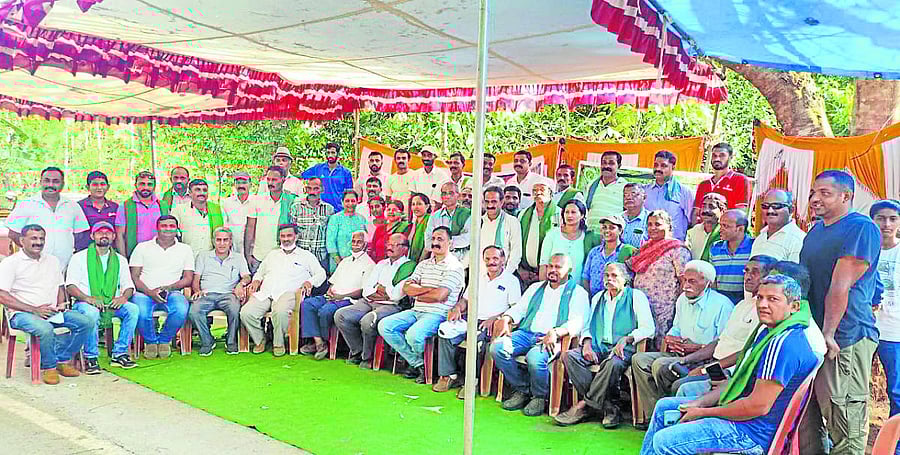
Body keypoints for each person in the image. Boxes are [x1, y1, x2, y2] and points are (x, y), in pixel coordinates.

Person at [639, 274, 819, 455]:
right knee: (664, 408)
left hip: (750, 434)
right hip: (743, 417)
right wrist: (699, 403)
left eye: (773, 299)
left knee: (665, 441)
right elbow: (737, 385)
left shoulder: (783, 344)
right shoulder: (770, 332)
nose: (762, 304)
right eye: (760, 297)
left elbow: (757, 406)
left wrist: (703, 412)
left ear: (794, 306)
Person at [800, 170, 881, 455]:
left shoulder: (860, 228)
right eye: (813, 192)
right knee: (808, 419)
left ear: (846, 196)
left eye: (825, 193)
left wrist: (829, 333)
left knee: (844, 419)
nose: (815, 198)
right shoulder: (815, 231)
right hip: (814, 335)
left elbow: (840, 285)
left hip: (843, 338)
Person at [631, 260, 734, 428]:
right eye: (685, 280)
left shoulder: (722, 305)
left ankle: (669, 414)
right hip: (679, 353)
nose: (686, 286)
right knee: (639, 360)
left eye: (692, 281)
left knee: (660, 365)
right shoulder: (682, 300)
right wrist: (671, 337)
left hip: (703, 360)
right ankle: (655, 415)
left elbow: (721, 343)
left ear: (707, 282)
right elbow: (676, 328)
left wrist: (698, 348)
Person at [554, 262, 655, 427]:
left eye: (614, 275)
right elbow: (587, 327)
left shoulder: (636, 297)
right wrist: (587, 344)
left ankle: (583, 406)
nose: (609, 279)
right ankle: (609, 406)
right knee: (568, 356)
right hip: (599, 346)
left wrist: (627, 338)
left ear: (625, 279)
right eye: (607, 275)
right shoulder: (598, 298)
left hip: (623, 349)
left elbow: (648, 328)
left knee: (612, 363)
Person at [490, 253, 590, 416]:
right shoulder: (536, 287)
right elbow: (519, 309)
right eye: (550, 266)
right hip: (526, 333)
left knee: (535, 358)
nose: (552, 270)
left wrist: (556, 332)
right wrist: (506, 318)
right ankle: (523, 389)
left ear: (569, 270)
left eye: (558, 267)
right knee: (497, 348)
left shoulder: (578, 292)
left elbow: (577, 321)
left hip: (552, 339)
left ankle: (539, 396)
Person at [672, 255, 778, 398]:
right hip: (713, 362)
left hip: (729, 371)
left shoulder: (764, 312)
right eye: (746, 271)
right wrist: (686, 360)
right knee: (668, 369)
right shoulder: (741, 305)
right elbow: (720, 341)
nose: (748, 277)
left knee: (681, 386)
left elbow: (747, 352)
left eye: (755, 272)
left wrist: (704, 370)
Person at [0, 224, 92, 385]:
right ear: (22, 240)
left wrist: (62, 303)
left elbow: (60, 286)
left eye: (42, 238)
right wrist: (34, 310)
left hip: (51, 310)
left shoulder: (52, 261)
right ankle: (49, 367)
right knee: (45, 329)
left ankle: (62, 359)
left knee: (86, 322)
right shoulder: (11, 263)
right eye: (33, 238)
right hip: (22, 313)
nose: (38, 242)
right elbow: (2, 294)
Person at [379, 227, 465, 383]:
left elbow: (440, 296)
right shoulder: (424, 264)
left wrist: (418, 292)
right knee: (385, 326)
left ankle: (421, 365)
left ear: (450, 243)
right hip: (416, 310)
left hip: (438, 314)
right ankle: (419, 363)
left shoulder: (455, 267)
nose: (435, 242)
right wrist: (429, 290)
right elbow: (407, 288)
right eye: (434, 239)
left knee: (414, 335)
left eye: (440, 239)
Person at [433, 246, 521, 397]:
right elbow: (465, 300)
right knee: (445, 330)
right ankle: (448, 376)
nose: (491, 262)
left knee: (477, 343)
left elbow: (515, 309)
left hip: (492, 324)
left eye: (495, 258)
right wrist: (457, 308)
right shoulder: (478, 277)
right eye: (488, 259)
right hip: (470, 319)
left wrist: (495, 318)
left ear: (503, 260)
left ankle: (471, 382)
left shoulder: (511, 280)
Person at [241, 224, 326, 357]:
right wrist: (256, 280)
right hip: (266, 292)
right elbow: (260, 272)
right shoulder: (272, 254)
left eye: (289, 235)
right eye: (283, 236)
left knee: (280, 311)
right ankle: (260, 340)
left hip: (289, 293)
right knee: (246, 312)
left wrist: (310, 282)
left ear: (296, 236)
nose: (286, 239)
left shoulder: (306, 256)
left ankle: (278, 343)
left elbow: (321, 274)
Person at [67, 222, 140, 372]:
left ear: (113, 236)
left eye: (108, 232)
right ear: (92, 236)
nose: (104, 235)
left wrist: (123, 298)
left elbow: (129, 286)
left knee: (132, 310)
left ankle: (120, 353)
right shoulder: (79, 258)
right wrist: (88, 299)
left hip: (111, 302)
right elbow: (70, 286)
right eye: (100, 232)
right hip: (85, 303)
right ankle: (91, 356)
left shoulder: (120, 260)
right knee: (92, 313)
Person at [335, 233, 415, 369]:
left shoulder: (408, 266)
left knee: (368, 321)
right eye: (389, 244)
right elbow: (367, 290)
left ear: (405, 249)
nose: (390, 247)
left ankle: (368, 358)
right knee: (341, 315)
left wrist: (381, 290)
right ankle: (358, 351)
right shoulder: (381, 264)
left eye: (395, 245)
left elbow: (396, 295)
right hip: (368, 301)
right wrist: (381, 292)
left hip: (392, 306)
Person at [299, 231, 375, 360]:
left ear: (365, 245)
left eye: (359, 242)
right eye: (353, 241)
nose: (355, 244)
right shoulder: (345, 261)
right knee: (307, 304)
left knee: (325, 311)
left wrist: (341, 296)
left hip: (349, 300)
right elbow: (332, 282)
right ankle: (319, 342)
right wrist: (329, 291)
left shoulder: (370, 265)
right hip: (332, 296)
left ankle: (323, 342)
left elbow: (363, 291)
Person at [128, 216, 194, 360]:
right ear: (157, 228)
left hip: (172, 292)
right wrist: (150, 292)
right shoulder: (142, 247)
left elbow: (188, 278)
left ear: (177, 229)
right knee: (141, 311)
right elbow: (134, 277)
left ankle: (164, 340)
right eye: (164, 226)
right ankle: (151, 342)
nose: (168, 229)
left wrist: (168, 288)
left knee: (181, 309)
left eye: (172, 226)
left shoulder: (185, 249)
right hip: (144, 292)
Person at [7, 166, 89, 271]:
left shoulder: (72, 206)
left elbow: (79, 235)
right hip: (33, 266)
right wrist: (31, 250)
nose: (50, 185)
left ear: (62, 184)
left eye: (56, 181)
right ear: (40, 182)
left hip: (65, 266)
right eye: (47, 180)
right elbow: (13, 233)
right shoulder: (26, 204)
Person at [630, 210, 693, 344]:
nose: (653, 228)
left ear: (668, 226)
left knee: (660, 343)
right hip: (642, 303)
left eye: (657, 224)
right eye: (650, 224)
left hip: (664, 306)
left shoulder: (677, 249)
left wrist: (679, 306)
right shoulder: (645, 248)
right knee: (641, 339)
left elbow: (684, 280)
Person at [188, 227, 251, 356]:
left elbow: (247, 276)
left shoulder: (238, 258)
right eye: (218, 240)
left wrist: (241, 284)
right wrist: (197, 290)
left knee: (235, 309)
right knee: (194, 311)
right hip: (206, 294)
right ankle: (207, 342)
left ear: (230, 242)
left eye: (225, 240)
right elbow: (196, 278)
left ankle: (231, 341)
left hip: (228, 294)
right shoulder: (203, 256)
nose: (222, 243)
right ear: (213, 241)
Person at [872, 200, 900, 448]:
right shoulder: (865, 250)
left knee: (897, 391)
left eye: (893, 218)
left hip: (895, 332)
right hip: (864, 330)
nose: (887, 224)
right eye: (881, 218)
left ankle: (894, 444)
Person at [245, 166, 298, 274]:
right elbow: (250, 228)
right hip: (259, 256)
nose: (270, 183)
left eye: (274, 179)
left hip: (283, 256)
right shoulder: (257, 200)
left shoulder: (292, 201)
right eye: (268, 179)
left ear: (283, 180)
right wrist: (248, 255)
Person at [539, 199, 601, 288]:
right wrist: (543, 289)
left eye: (573, 212)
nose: (569, 215)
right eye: (567, 212)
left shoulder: (587, 238)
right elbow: (543, 264)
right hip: (552, 288)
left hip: (576, 290)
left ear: (582, 215)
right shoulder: (552, 234)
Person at [582, 215, 638, 298]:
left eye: (612, 228)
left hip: (617, 300)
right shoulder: (594, 252)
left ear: (620, 230)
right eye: (604, 227)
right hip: (595, 300)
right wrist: (589, 298)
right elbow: (586, 277)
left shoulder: (627, 251)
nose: (607, 230)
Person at [644, 150, 694, 241]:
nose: (658, 169)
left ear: (673, 167)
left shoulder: (684, 192)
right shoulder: (645, 191)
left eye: (663, 166)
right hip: (649, 244)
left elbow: (692, 221)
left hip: (673, 245)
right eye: (656, 165)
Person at [115, 171, 166, 258]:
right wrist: (124, 260)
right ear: (135, 185)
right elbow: (119, 235)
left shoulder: (162, 206)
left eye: (149, 184)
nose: (146, 187)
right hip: (135, 255)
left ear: (154, 186)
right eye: (142, 184)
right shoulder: (125, 206)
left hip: (160, 254)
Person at [692, 142, 751, 218]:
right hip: (703, 225)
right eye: (714, 155)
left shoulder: (740, 180)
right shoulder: (703, 185)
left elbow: (740, 213)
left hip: (727, 225)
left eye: (722, 155)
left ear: (730, 158)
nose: (717, 159)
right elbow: (696, 213)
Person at [709, 209, 754, 304]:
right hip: (720, 302)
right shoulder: (715, 248)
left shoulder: (754, 247)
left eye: (725, 226)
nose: (720, 229)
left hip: (746, 302)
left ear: (740, 229)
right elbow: (713, 280)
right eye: (720, 225)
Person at [290, 177, 334, 272]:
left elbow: (330, 235)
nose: (312, 192)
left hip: (321, 257)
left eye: (316, 188)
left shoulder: (329, 209)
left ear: (322, 189)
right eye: (309, 188)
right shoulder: (296, 208)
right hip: (300, 258)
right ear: (306, 189)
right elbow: (291, 233)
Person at [171, 179, 224, 256]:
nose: (202, 193)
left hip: (211, 257)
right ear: (190, 193)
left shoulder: (216, 209)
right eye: (198, 190)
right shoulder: (179, 210)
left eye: (204, 190)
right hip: (188, 256)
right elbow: (173, 235)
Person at [750, 189, 806, 262]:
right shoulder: (761, 237)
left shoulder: (798, 240)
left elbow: (795, 269)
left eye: (776, 206)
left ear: (791, 210)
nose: (770, 211)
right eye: (765, 206)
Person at [517, 183, 555, 288]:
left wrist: (542, 274)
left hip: (549, 274)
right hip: (525, 274)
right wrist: (520, 270)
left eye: (542, 189)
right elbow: (516, 243)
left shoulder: (559, 214)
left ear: (550, 193)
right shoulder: (523, 214)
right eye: (534, 190)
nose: (538, 192)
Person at [424, 181, 471, 264]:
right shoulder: (435, 216)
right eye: (444, 193)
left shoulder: (467, 214)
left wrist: (440, 242)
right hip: (436, 259)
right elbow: (428, 242)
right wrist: (445, 243)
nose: (447, 196)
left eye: (451, 193)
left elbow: (466, 240)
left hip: (459, 260)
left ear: (458, 196)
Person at [301, 142, 353, 212]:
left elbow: (349, 194)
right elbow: (302, 176)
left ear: (338, 154)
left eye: (333, 153)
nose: (330, 155)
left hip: (338, 210)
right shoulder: (318, 168)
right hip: (320, 210)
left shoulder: (345, 172)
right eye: (328, 153)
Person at [75, 170, 119, 252]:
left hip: (108, 252)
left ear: (108, 187)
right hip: (85, 252)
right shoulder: (78, 207)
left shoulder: (115, 207)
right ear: (88, 187)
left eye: (102, 184)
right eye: (95, 184)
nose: (99, 188)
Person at [480, 185, 522, 269]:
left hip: (503, 272)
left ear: (502, 202)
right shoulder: (479, 222)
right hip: (480, 272)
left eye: (494, 201)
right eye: (487, 201)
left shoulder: (512, 222)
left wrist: (506, 273)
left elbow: (516, 252)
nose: (490, 205)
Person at [326, 189, 368, 272]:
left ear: (357, 202)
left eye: (353, 201)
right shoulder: (335, 219)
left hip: (357, 263)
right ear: (342, 202)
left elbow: (365, 241)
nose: (350, 204)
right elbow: (330, 243)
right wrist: (340, 263)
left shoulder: (361, 219)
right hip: (338, 263)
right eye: (347, 201)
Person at [585, 151, 628, 232]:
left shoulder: (625, 187)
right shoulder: (592, 185)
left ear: (619, 166)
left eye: (611, 163)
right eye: (604, 163)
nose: (606, 166)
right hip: (590, 233)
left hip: (611, 236)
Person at [685, 192, 726, 261]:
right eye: (703, 206)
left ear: (722, 211)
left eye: (712, 207)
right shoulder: (693, 231)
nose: (706, 210)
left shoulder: (725, 233)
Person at [411, 146, 451, 212]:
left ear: (435, 157)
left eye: (429, 155)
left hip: (435, 213)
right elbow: (412, 197)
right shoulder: (416, 174)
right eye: (424, 155)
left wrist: (433, 216)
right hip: (417, 214)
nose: (426, 158)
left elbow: (440, 202)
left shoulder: (442, 176)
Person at [222, 171, 252, 255]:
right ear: (234, 185)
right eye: (238, 183)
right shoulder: (227, 203)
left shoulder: (256, 202)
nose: (241, 185)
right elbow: (225, 226)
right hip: (233, 250)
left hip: (251, 251)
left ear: (250, 184)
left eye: (244, 183)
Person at [620, 183, 649, 249]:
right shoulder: (617, 218)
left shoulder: (650, 219)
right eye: (625, 195)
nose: (628, 198)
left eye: (633, 194)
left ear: (644, 197)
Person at [407, 192, 432, 262]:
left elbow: (428, 245)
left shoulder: (430, 220)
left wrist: (420, 263)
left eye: (419, 204)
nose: (415, 207)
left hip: (424, 261)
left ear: (427, 206)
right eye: (413, 204)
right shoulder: (415, 222)